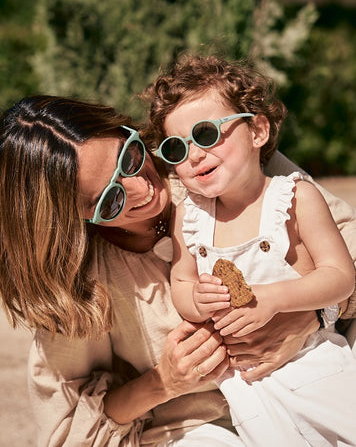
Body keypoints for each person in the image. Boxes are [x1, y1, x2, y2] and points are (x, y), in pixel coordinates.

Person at [0, 95, 356, 446]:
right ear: (67, 220)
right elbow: (68, 425)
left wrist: (311, 314)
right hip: (201, 431)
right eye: (110, 200)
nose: (141, 188)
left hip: (316, 370)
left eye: (129, 157)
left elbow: (345, 250)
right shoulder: (79, 283)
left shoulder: (211, 157)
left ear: (127, 130)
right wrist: (165, 382)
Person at [142, 54, 356, 446]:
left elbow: (340, 277)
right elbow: (181, 281)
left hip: (314, 366)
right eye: (175, 147)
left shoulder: (295, 198)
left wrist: (274, 298)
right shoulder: (189, 218)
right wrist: (195, 299)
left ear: (257, 130)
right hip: (247, 389)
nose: (193, 155)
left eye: (206, 134)